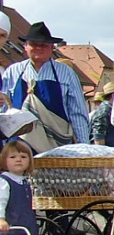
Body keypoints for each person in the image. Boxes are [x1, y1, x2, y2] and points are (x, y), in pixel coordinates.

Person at [0, 21, 91, 149]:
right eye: (34, 44)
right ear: (25, 46)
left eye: (43, 45)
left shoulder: (66, 73)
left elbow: (78, 113)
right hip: (20, 147)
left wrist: (84, 147)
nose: (38, 48)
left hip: (56, 144)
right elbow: (3, 109)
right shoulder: (13, 72)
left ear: (52, 47)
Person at [0, 138, 38, 235]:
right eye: (13, 157)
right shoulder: (4, 181)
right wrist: (1, 219)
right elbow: (1, 201)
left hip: (27, 227)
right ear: (4, 161)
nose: (18, 159)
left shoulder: (26, 181)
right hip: (11, 228)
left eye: (23, 156)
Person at [89, 82, 114, 146]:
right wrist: (102, 153)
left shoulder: (110, 109)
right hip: (106, 151)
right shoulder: (104, 111)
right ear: (113, 95)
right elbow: (98, 135)